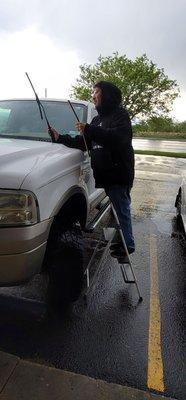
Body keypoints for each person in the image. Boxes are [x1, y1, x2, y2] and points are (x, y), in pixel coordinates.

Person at [50, 81, 135, 261]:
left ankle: (128, 246)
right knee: (118, 209)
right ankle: (123, 245)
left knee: (122, 209)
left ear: (107, 95)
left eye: (96, 92)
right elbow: (83, 143)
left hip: (119, 174)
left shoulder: (120, 116)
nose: (93, 95)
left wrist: (88, 128)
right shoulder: (97, 120)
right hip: (105, 175)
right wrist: (60, 138)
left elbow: (118, 139)